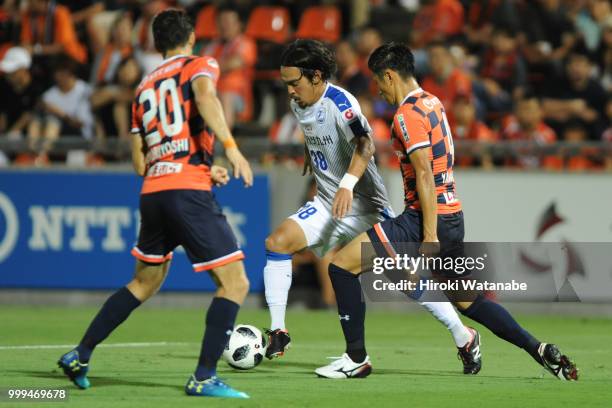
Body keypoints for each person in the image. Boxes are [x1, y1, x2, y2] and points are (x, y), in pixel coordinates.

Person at [314, 42, 579, 381]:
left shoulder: (407, 114)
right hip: (453, 215)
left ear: (390, 76)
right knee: (469, 301)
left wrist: (428, 233)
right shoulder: (433, 102)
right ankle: (537, 349)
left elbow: (424, 172)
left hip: (424, 219)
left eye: (378, 82)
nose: (378, 90)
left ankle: (356, 359)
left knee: (340, 266)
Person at [57, 9, 254, 399]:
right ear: (192, 37)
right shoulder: (200, 65)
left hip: (153, 191)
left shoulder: (142, 88)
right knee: (235, 282)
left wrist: (194, 163)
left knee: (144, 282)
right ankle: (203, 377)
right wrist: (230, 149)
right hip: (187, 191)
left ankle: (81, 354)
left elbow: (139, 162)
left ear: (155, 43)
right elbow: (206, 96)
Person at [264, 40, 481, 375]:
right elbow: (314, 134)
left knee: (403, 277)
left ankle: (462, 335)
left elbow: (365, 145)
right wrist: (311, 156)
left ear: (317, 76)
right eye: (286, 84)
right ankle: (279, 332)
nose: (290, 90)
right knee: (277, 243)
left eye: (295, 83)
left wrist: (347, 185)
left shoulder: (342, 102)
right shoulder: (299, 104)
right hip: (328, 202)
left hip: (364, 204)